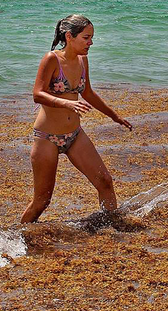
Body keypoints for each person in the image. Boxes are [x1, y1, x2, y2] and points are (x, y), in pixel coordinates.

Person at [20, 14, 132, 224]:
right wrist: (67, 103)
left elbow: (88, 93)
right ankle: (18, 238)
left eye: (92, 38)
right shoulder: (52, 59)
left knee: (105, 182)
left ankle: (111, 229)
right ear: (69, 36)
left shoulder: (83, 60)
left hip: (75, 135)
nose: (91, 43)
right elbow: (37, 94)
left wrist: (114, 116)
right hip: (47, 138)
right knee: (42, 201)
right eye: (86, 37)